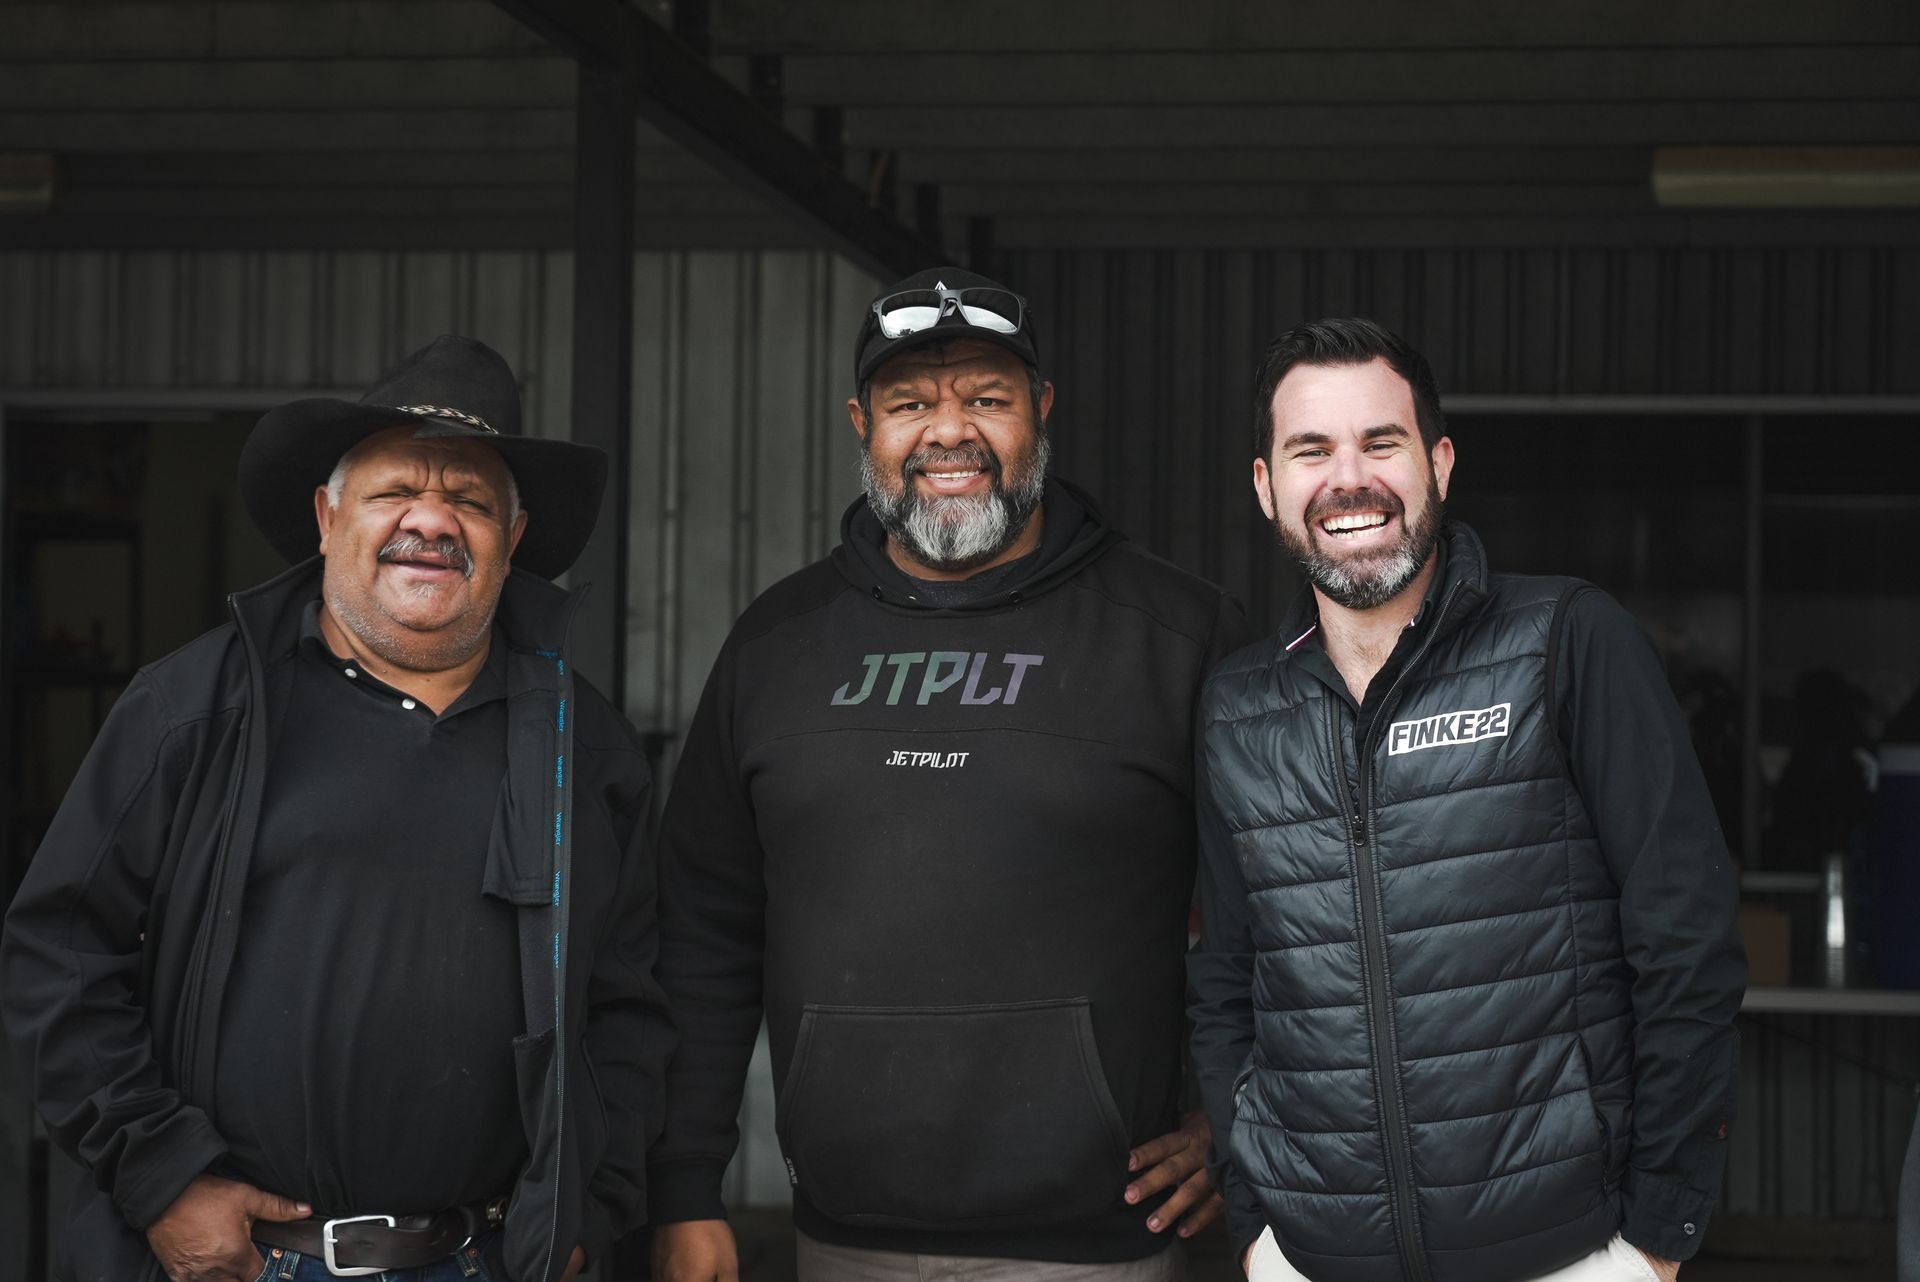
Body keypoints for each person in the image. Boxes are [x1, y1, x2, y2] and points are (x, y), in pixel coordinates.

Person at [1, 335, 672, 1282]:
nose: (430, 522)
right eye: (395, 492)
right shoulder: (194, 710)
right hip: (240, 1264)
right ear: (327, 517)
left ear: (512, 543)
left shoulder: (584, 747)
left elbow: (630, 1011)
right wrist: (161, 1176)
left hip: (484, 1262)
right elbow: (58, 955)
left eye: (471, 502)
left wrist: (585, 1212)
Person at [646, 268, 1252, 1281]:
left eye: (987, 398)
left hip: (1105, 1243)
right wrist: (684, 1184)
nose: (948, 432)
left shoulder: (1178, 636)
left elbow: (1284, 906)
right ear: (861, 423)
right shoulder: (778, 644)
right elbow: (703, 929)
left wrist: (1238, 1122)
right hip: (844, 1235)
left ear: (1041, 410)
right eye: (911, 403)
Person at [1188, 318, 1746, 1282]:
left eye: (1382, 442)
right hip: (1314, 1261)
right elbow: (1227, 979)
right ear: (1266, 487)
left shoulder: (1567, 642)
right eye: (1310, 450)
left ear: (1439, 464)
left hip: (1571, 1256)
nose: (1347, 479)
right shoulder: (1240, 709)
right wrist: (1254, 1227)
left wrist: (1658, 1235)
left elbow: (1686, 942)